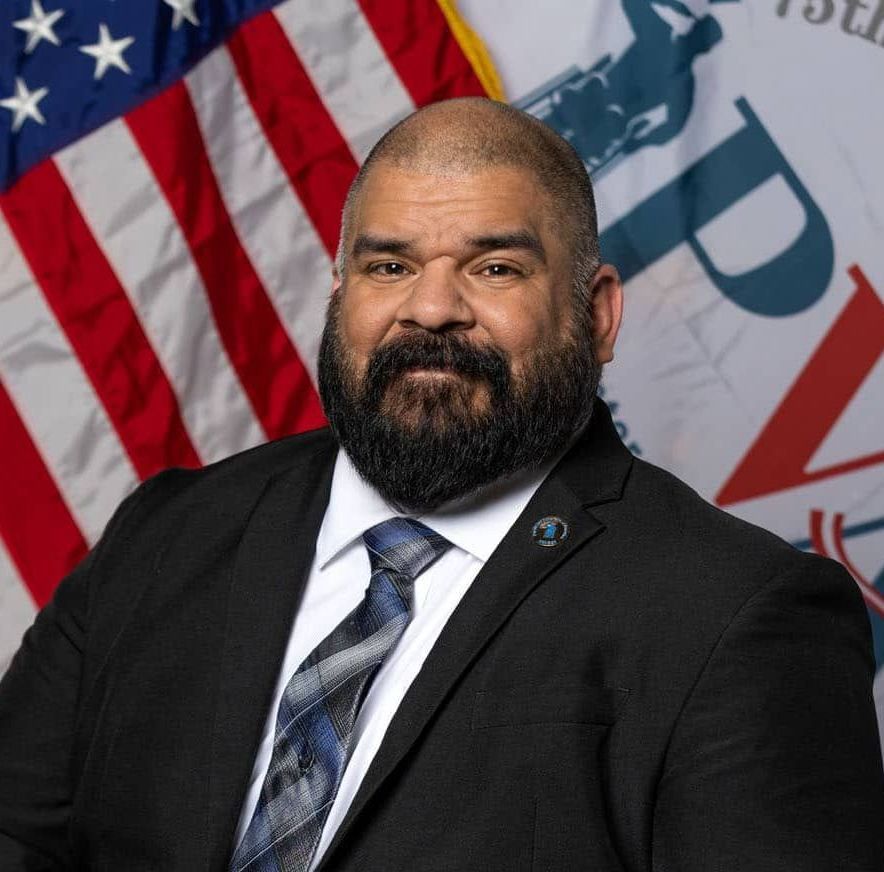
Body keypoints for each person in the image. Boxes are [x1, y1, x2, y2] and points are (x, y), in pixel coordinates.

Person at [0, 97, 882, 872]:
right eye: (389, 266)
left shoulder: (738, 614)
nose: (430, 309)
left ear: (597, 315)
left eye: (495, 267)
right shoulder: (167, 534)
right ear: (339, 295)